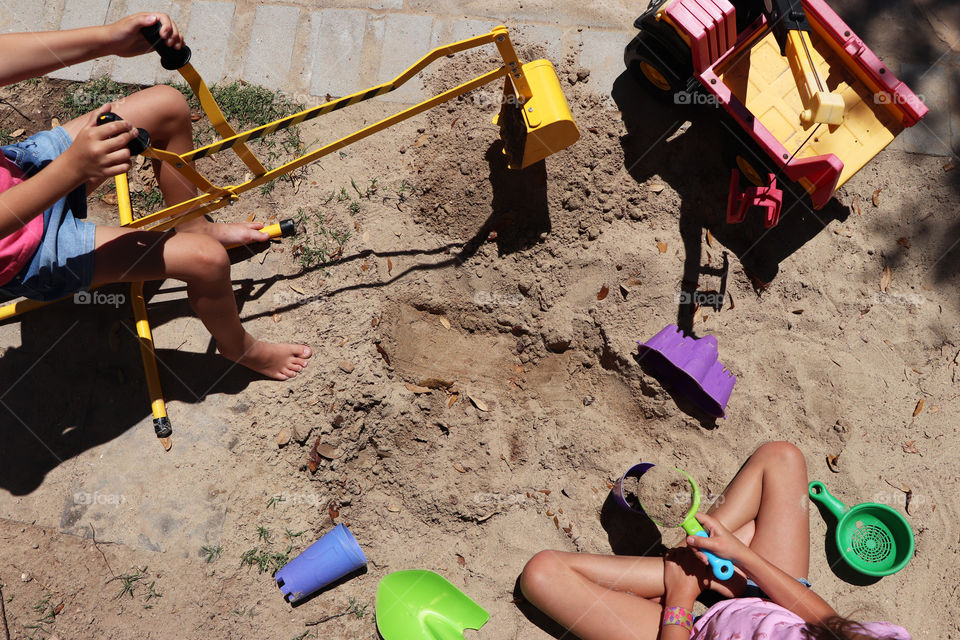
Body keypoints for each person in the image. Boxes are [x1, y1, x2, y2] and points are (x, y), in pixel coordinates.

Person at [0, 12, 311, 380]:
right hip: (26, 253)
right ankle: (239, 348)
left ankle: (196, 228)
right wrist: (71, 170)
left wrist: (109, 39)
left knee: (167, 106)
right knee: (208, 262)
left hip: (21, 170)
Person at [520, 442, 910, 639]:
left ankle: (678, 570)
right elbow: (827, 623)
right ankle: (694, 556)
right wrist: (740, 558)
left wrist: (681, 597)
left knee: (543, 574)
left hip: (691, 630)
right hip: (769, 603)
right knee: (781, 458)